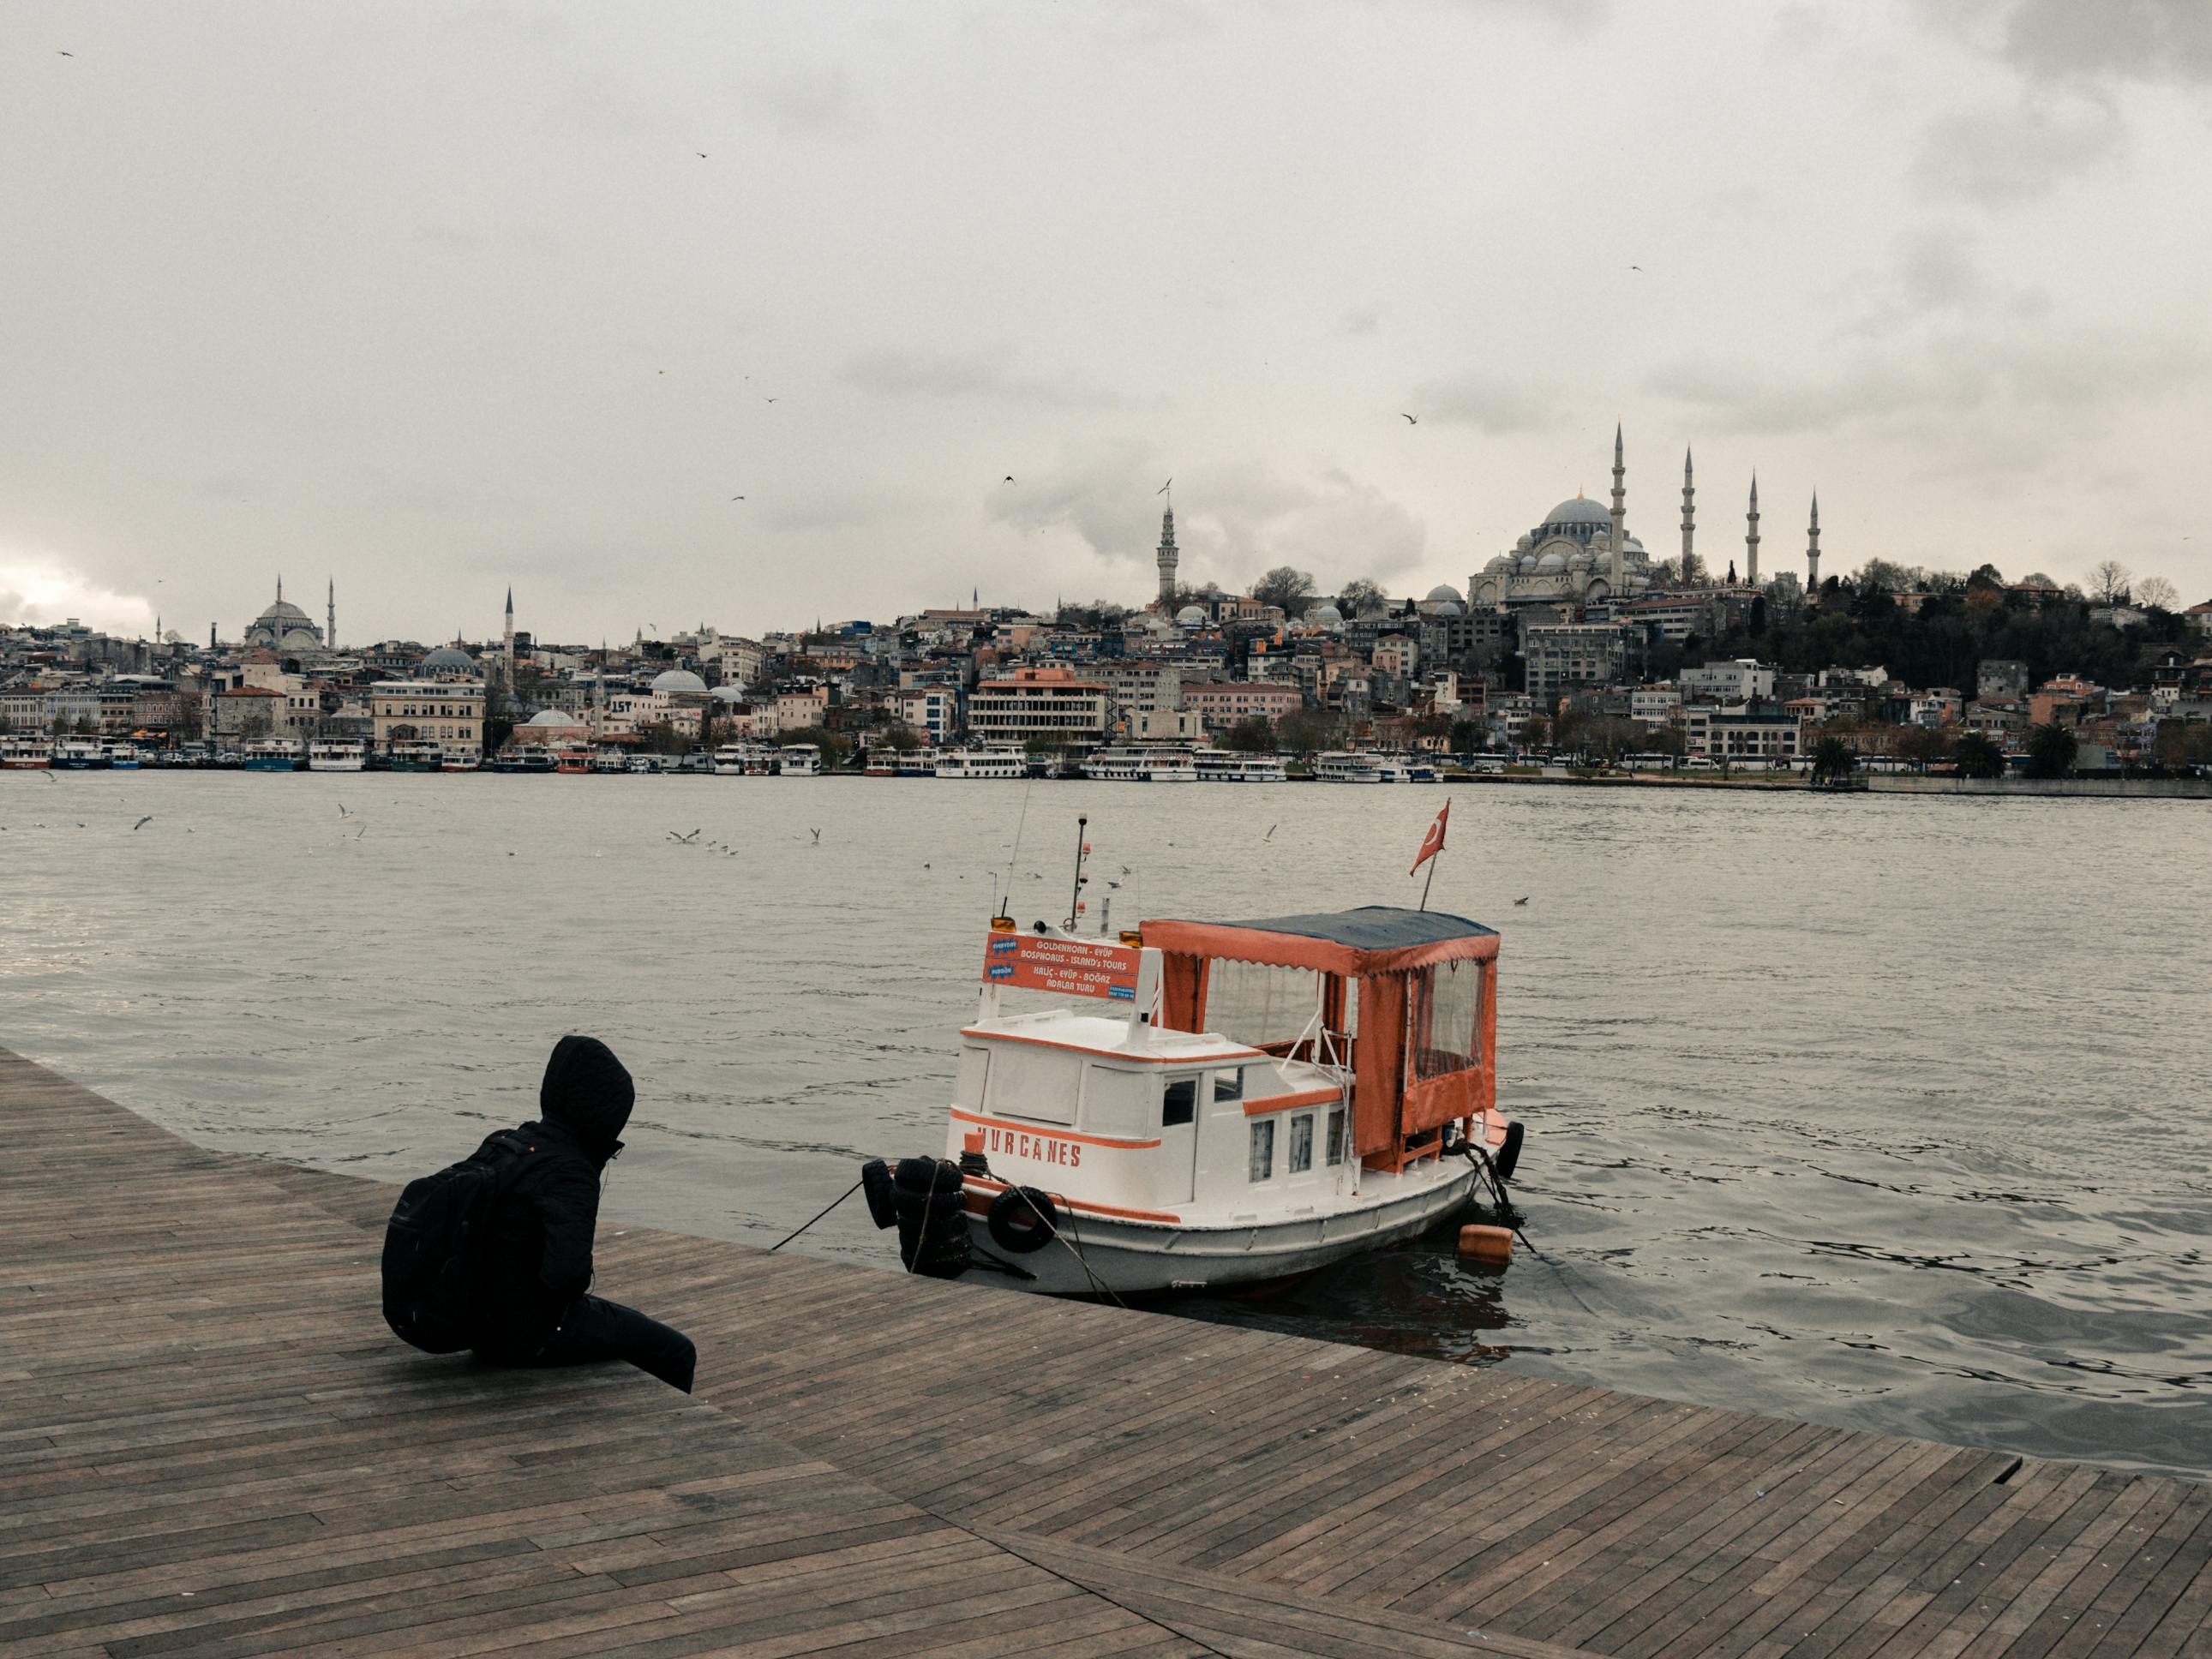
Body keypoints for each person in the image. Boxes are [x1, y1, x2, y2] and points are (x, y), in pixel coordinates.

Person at [470, 1033, 696, 1392]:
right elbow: (565, 1279)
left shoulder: (509, 1144)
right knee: (678, 1351)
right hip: (527, 1335)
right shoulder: (570, 1171)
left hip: (480, 1326)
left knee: (622, 1326)